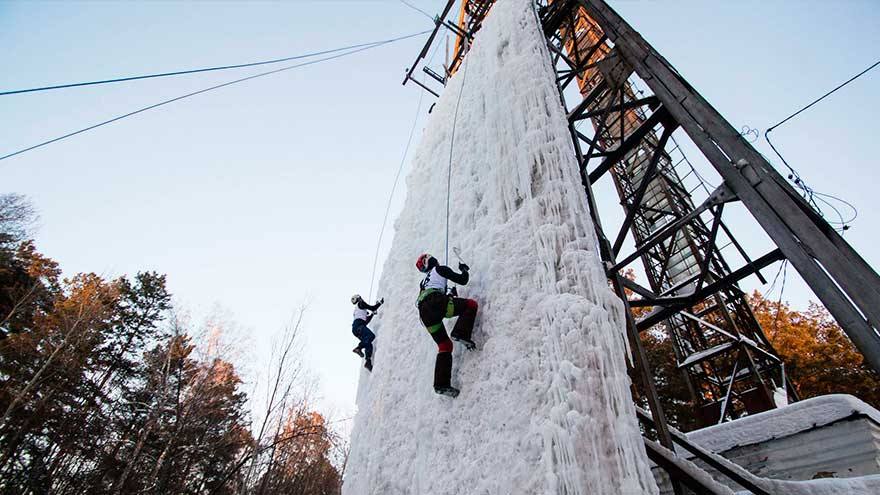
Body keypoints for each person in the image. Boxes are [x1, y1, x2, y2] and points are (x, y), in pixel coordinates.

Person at [415, 253, 479, 398]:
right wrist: (464, 270)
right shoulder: (440, 269)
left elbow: (432, 296)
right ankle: (461, 333)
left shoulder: (423, 283)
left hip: (425, 314)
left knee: (444, 346)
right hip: (436, 302)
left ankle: (441, 384)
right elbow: (463, 280)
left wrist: (449, 296)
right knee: (470, 305)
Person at [351, 294, 383, 372]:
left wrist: (372, 314)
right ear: (359, 299)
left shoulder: (358, 311)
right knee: (371, 336)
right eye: (360, 298)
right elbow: (373, 307)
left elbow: (366, 321)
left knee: (368, 343)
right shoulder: (361, 304)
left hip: (356, 328)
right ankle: (358, 348)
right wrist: (380, 303)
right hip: (358, 326)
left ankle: (368, 362)